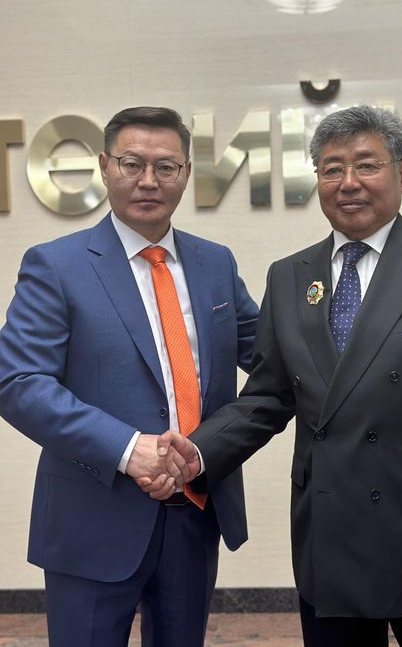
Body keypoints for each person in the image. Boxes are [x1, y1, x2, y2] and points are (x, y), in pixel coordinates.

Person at [153, 105, 402, 646]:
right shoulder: (289, 275)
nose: (348, 182)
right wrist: (198, 451)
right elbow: (267, 397)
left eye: (367, 165)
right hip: (331, 538)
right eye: (332, 169)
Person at [0, 106, 258, 647]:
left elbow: (273, 360)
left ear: (186, 173)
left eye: (166, 167)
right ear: (104, 167)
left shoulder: (215, 264)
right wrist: (127, 448)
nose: (148, 180)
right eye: (132, 163)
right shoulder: (57, 265)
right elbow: (19, 382)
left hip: (194, 512)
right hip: (92, 517)